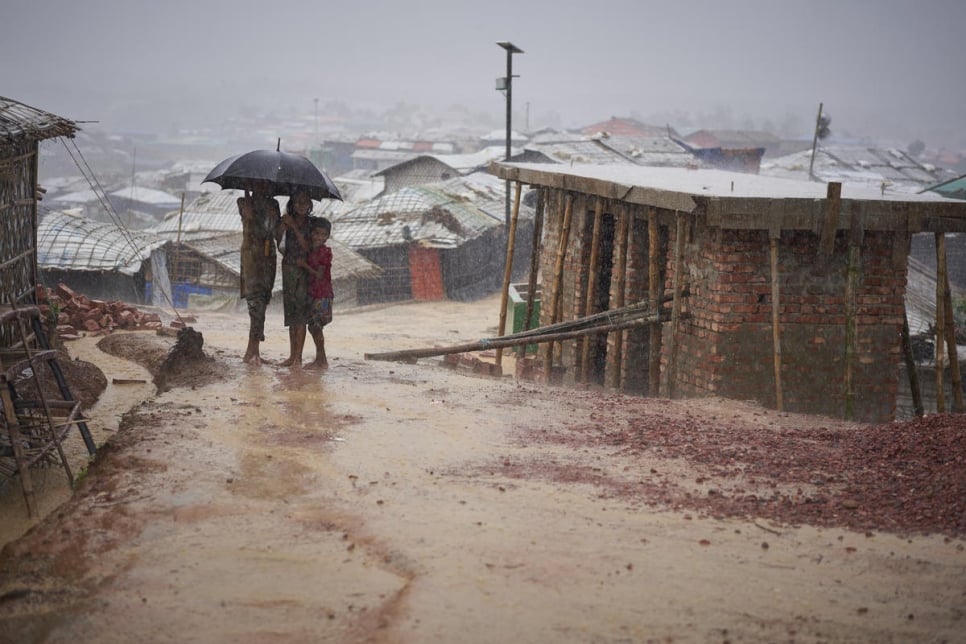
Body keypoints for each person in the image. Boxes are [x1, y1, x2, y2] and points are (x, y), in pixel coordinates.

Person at [237, 179, 280, 365]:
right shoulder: (243, 201)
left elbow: (275, 232)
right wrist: (248, 210)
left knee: (263, 301)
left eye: (265, 184)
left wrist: (274, 218)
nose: (262, 187)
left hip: (268, 258)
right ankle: (251, 351)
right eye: (258, 184)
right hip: (251, 258)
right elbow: (248, 219)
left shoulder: (273, 204)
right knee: (255, 303)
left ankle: (254, 351)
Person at [275, 189, 314, 367]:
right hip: (288, 269)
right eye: (298, 202)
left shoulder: (312, 224)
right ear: (292, 204)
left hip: (304, 271)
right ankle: (292, 356)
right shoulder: (286, 220)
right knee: (291, 314)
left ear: (309, 204)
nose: (301, 205)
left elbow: (307, 248)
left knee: (301, 315)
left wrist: (295, 228)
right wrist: (282, 229)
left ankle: (298, 357)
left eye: (305, 202)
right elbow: (281, 248)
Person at [298, 217, 334, 369]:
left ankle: (322, 359)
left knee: (316, 326)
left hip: (322, 294)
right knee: (314, 327)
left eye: (323, 234)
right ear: (311, 233)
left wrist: (304, 265)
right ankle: (320, 358)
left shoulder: (325, 252)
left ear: (327, 236)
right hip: (314, 293)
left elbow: (319, 275)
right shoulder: (311, 250)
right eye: (316, 233)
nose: (319, 237)